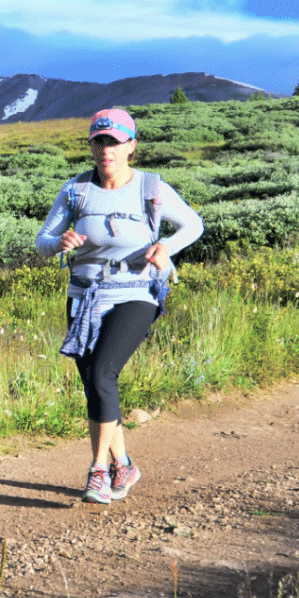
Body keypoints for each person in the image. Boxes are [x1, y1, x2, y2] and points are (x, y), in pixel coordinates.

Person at [35, 108, 202, 504]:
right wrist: (59, 244)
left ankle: (97, 472)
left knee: (103, 374)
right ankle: (123, 463)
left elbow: (193, 225)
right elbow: (42, 240)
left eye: (114, 141)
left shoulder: (152, 188)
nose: (106, 149)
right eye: (99, 141)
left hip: (136, 292)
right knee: (94, 383)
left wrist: (167, 247)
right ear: (91, 146)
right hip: (84, 295)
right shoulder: (75, 191)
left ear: (131, 147)